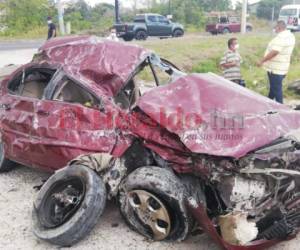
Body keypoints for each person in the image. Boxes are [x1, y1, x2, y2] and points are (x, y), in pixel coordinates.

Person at [257, 20, 295, 103]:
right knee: (274, 88)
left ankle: (281, 109)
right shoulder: (290, 36)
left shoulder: (281, 37)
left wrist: (261, 61)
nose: (275, 29)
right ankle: (268, 102)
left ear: (279, 27)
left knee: (277, 90)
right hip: (282, 67)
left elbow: (275, 52)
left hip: (275, 69)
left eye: (275, 27)